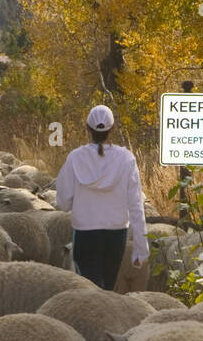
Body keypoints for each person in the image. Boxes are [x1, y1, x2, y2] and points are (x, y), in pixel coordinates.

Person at [54, 104, 149, 289]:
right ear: (112, 129)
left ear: (88, 128)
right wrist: (140, 249)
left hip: (86, 232)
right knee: (107, 287)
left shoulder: (75, 158)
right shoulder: (126, 158)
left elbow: (63, 203)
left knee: (89, 287)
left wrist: (80, 202)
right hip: (116, 233)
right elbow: (136, 205)